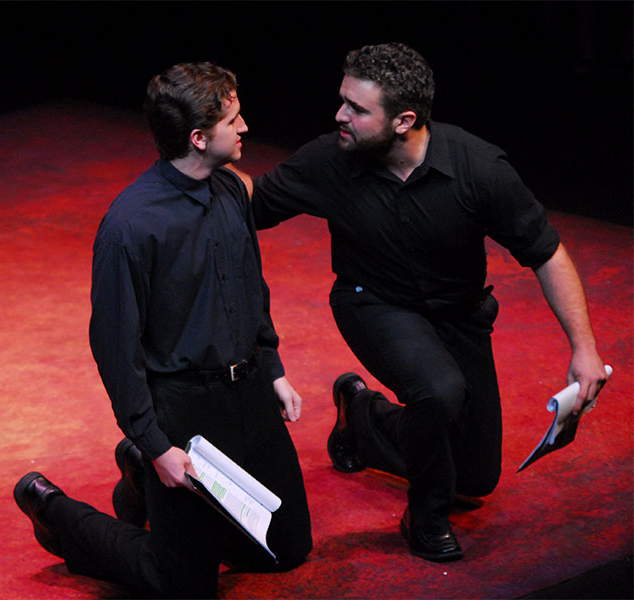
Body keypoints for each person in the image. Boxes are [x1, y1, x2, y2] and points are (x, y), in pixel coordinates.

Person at [247, 43, 606, 562]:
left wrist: (584, 347)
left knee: (477, 477)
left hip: (459, 314)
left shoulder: (478, 168)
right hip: (372, 302)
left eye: (357, 108)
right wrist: (193, 164)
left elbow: (546, 252)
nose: (339, 115)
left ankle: (363, 417)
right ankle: (425, 515)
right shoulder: (331, 159)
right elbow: (252, 204)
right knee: (438, 390)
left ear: (404, 120)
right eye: (343, 100)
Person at [13, 62, 312, 598]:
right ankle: (57, 511)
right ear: (199, 138)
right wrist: (155, 444)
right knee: (184, 583)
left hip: (246, 394)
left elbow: (251, 290)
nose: (245, 128)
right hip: (185, 411)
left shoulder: (232, 192)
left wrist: (272, 369)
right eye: (233, 119)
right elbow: (114, 345)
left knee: (284, 550)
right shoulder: (131, 224)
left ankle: (143, 481)